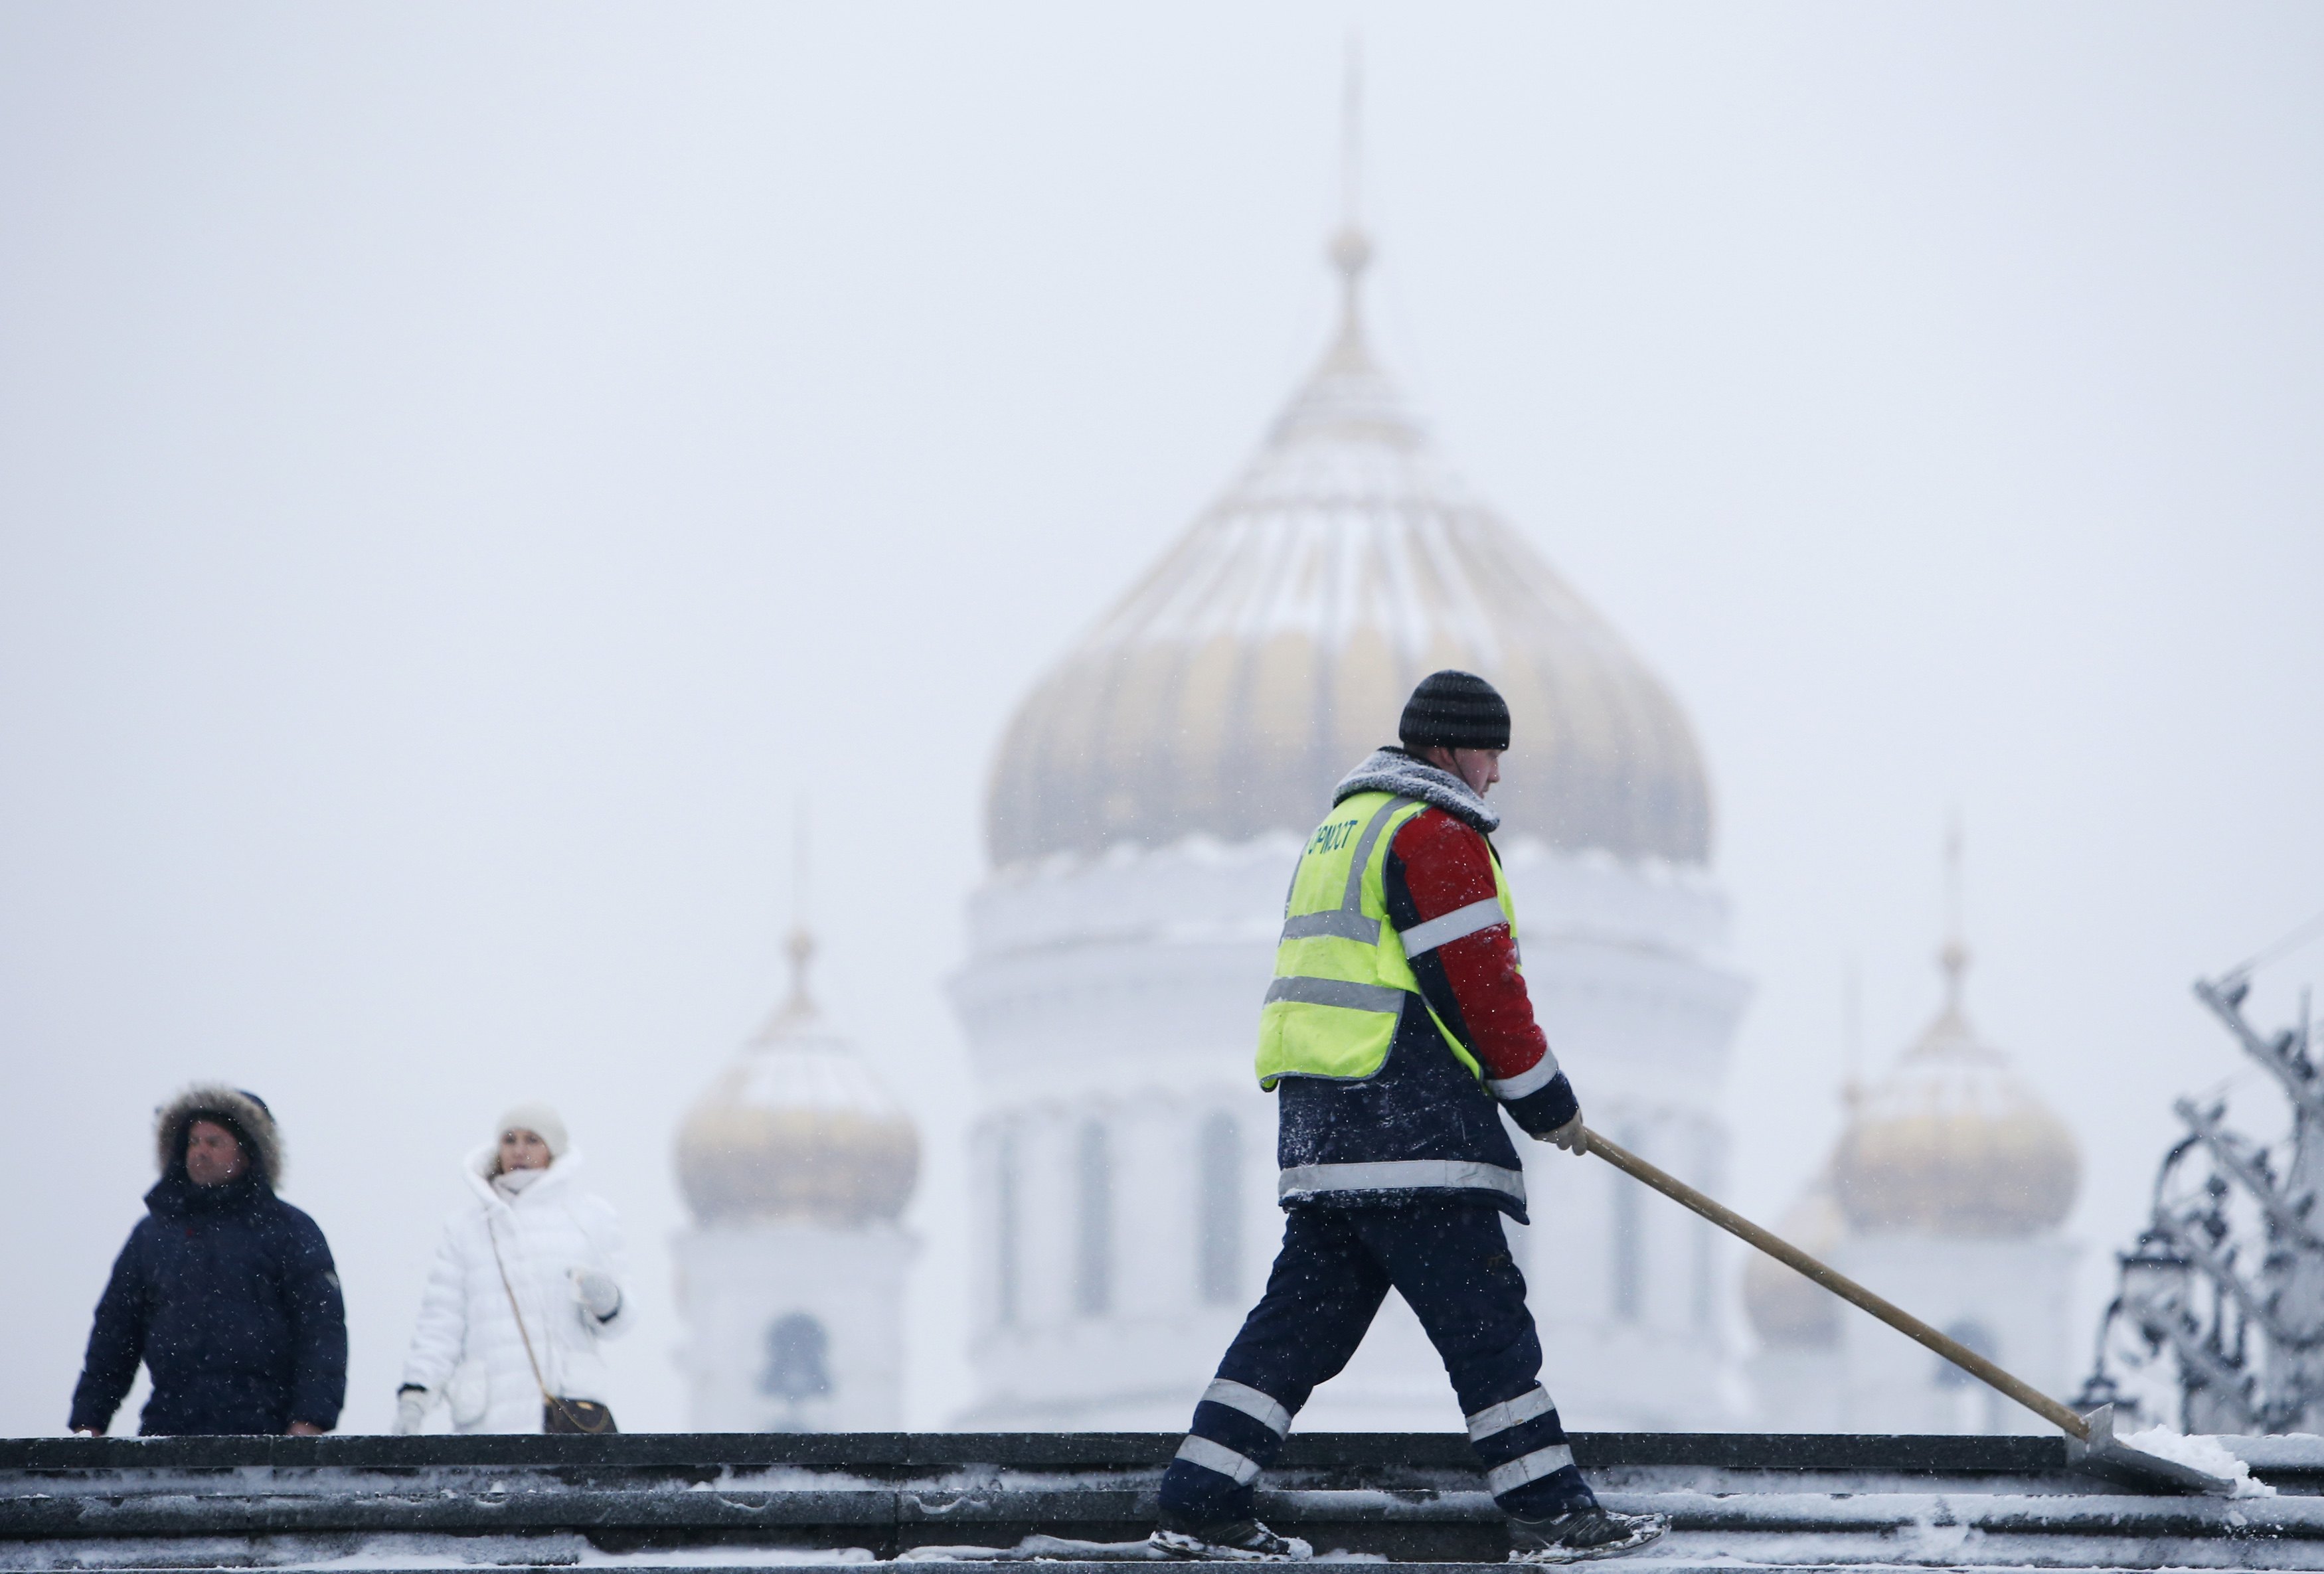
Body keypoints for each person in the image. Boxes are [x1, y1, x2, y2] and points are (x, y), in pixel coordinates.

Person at [1149, 670, 1669, 1565]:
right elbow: (1480, 986)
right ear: (1444, 749)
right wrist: (1546, 1100)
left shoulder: (1341, 830)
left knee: (1298, 1326)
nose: (1497, 772)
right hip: (1411, 1129)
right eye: (1488, 750)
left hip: (1328, 1133)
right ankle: (1551, 1511)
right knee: (1488, 1326)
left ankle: (1201, 1496)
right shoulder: (1433, 833)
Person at [70, 1086, 347, 1437]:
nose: (200, 1151)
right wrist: (88, 1423)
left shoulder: (290, 1232)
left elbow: (321, 1333)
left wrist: (309, 1421)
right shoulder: (153, 1236)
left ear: (249, 1153)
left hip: (267, 1434)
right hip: (167, 1429)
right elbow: (114, 1334)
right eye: (193, 1142)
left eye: (214, 1142)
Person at [392, 1104, 628, 1435]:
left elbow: (619, 1322)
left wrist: (608, 1301)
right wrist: (417, 1392)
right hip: (490, 1420)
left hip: (569, 1416)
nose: (519, 1150)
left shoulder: (589, 1219)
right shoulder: (467, 1229)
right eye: (509, 1139)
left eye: (533, 1139)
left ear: (553, 1149)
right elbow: (441, 1323)